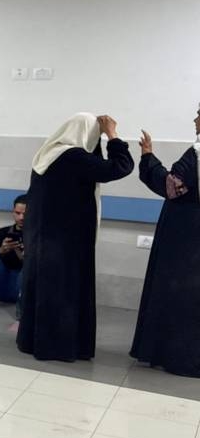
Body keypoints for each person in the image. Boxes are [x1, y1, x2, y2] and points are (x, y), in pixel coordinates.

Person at [17, 113, 134, 361]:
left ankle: (33, 342)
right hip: (65, 242)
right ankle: (58, 347)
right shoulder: (73, 157)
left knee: (43, 291)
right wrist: (112, 135)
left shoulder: (48, 155)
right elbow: (119, 167)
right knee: (64, 294)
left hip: (43, 239)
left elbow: (92, 168)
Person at [130, 111, 200, 376]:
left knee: (182, 294)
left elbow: (173, 186)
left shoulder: (197, 153)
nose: (195, 120)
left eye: (199, 115)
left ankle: (179, 356)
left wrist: (148, 157)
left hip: (187, 235)